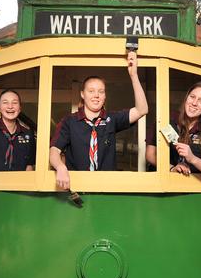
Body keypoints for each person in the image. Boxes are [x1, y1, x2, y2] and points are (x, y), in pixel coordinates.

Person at [50, 50, 148, 189]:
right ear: (82, 94)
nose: (96, 95)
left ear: (104, 96)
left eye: (101, 91)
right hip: (76, 187)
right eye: (91, 91)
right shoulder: (69, 122)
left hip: (106, 188)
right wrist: (60, 167)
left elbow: (142, 109)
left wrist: (134, 75)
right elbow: (54, 151)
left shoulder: (111, 119)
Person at [145, 81, 201, 180]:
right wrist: (171, 168)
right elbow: (150, 154)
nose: (194, 103)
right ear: (186, 98)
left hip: (192, 189)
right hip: (161, 184)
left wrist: (193, 159)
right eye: (192, 97)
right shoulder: (166, 119)